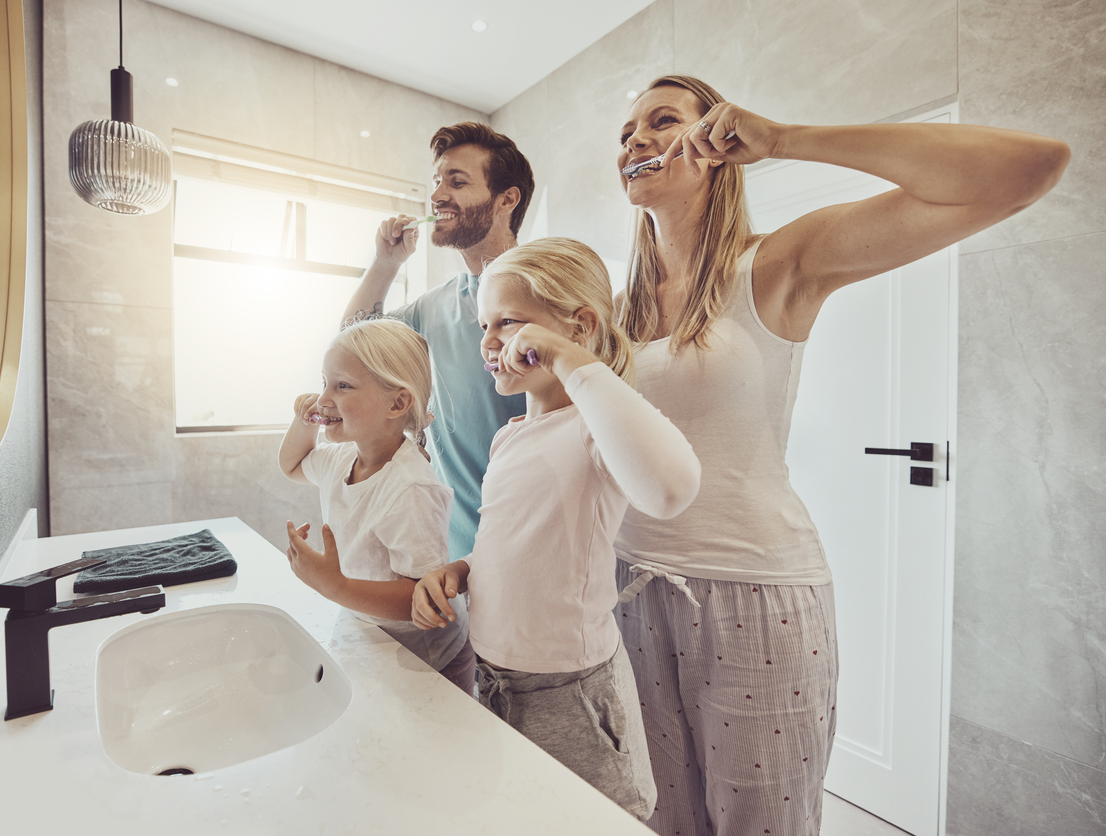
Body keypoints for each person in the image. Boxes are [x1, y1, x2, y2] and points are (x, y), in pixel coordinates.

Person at [611, 75, 1070, 836]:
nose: (635, 140)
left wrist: (789, 139)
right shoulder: (618, 306)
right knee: (659, 820)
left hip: (752, 600)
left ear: (716, 144)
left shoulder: (778, 262)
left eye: (662, 121)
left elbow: (1030, 169)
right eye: (626, 132)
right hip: (631, 590)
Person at [412, 238, 703, 818]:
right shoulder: (510, 435)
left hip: (568, 690)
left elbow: (671, 488)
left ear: (581, 324)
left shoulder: (592, 427)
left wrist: (570, 358)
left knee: (594, 819)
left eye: (509, 323)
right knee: (523, 814)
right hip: (495, 675)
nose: (488, 342)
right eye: (483, 325)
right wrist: (462, 571)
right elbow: (514, 540)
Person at [342, 122, 534, 563]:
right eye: (437, 181)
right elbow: (354, 346)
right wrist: (385, 264)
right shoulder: (435, 307)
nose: (437, 195)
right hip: (459, 555)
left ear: (507, 199)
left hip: (538, 549)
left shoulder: (546, 287)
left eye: (457, 181)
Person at [278, 318, 475, 693]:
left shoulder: (410, 487)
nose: (323, 399)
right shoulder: (341, 459)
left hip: (429, 659)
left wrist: (333, 585)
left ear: (397, 402)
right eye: (324, 383)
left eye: (343, 386)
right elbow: (291, 466)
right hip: (374, 632)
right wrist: (303, 422)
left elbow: (422, 600)